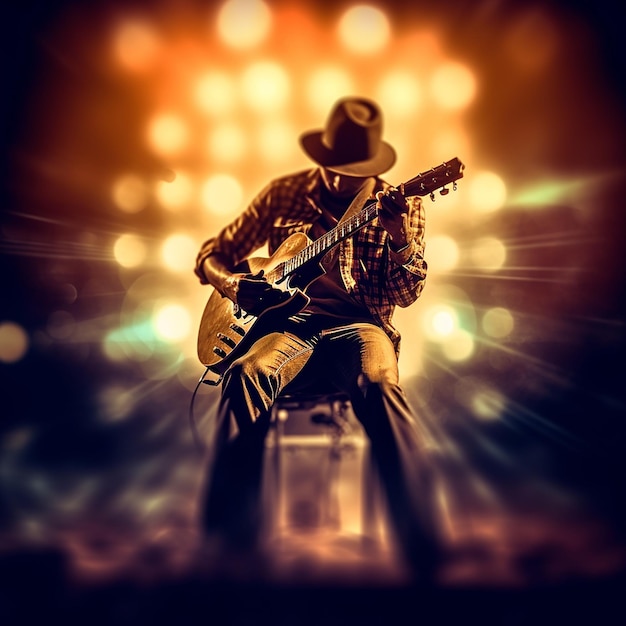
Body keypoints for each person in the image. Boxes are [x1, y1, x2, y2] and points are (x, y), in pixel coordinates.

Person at [194, 96, 442, 581]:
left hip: (360, 328)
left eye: (351, 170)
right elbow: (212, 253)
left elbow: (406, 293)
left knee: (382, 385)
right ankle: (230, 545)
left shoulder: (401, 203)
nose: (338, 177)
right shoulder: (284, 193)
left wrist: (399, 240)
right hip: (287, 331)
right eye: (331, 165)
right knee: (245, 374)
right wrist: (232, 284)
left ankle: (424, 547)